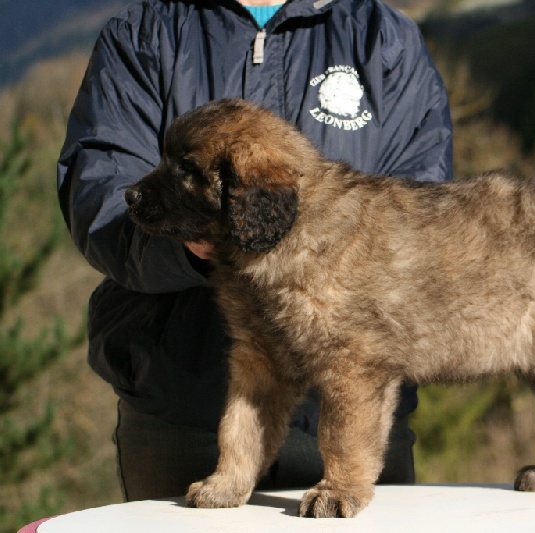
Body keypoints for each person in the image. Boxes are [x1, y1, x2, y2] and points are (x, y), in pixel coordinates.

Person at [57, 0, 453, 501]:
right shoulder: (145, 33)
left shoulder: (382, 39)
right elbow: (102, 199)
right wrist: (194, 245)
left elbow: (420, 218)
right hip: (181, 406)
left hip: (352, 410)